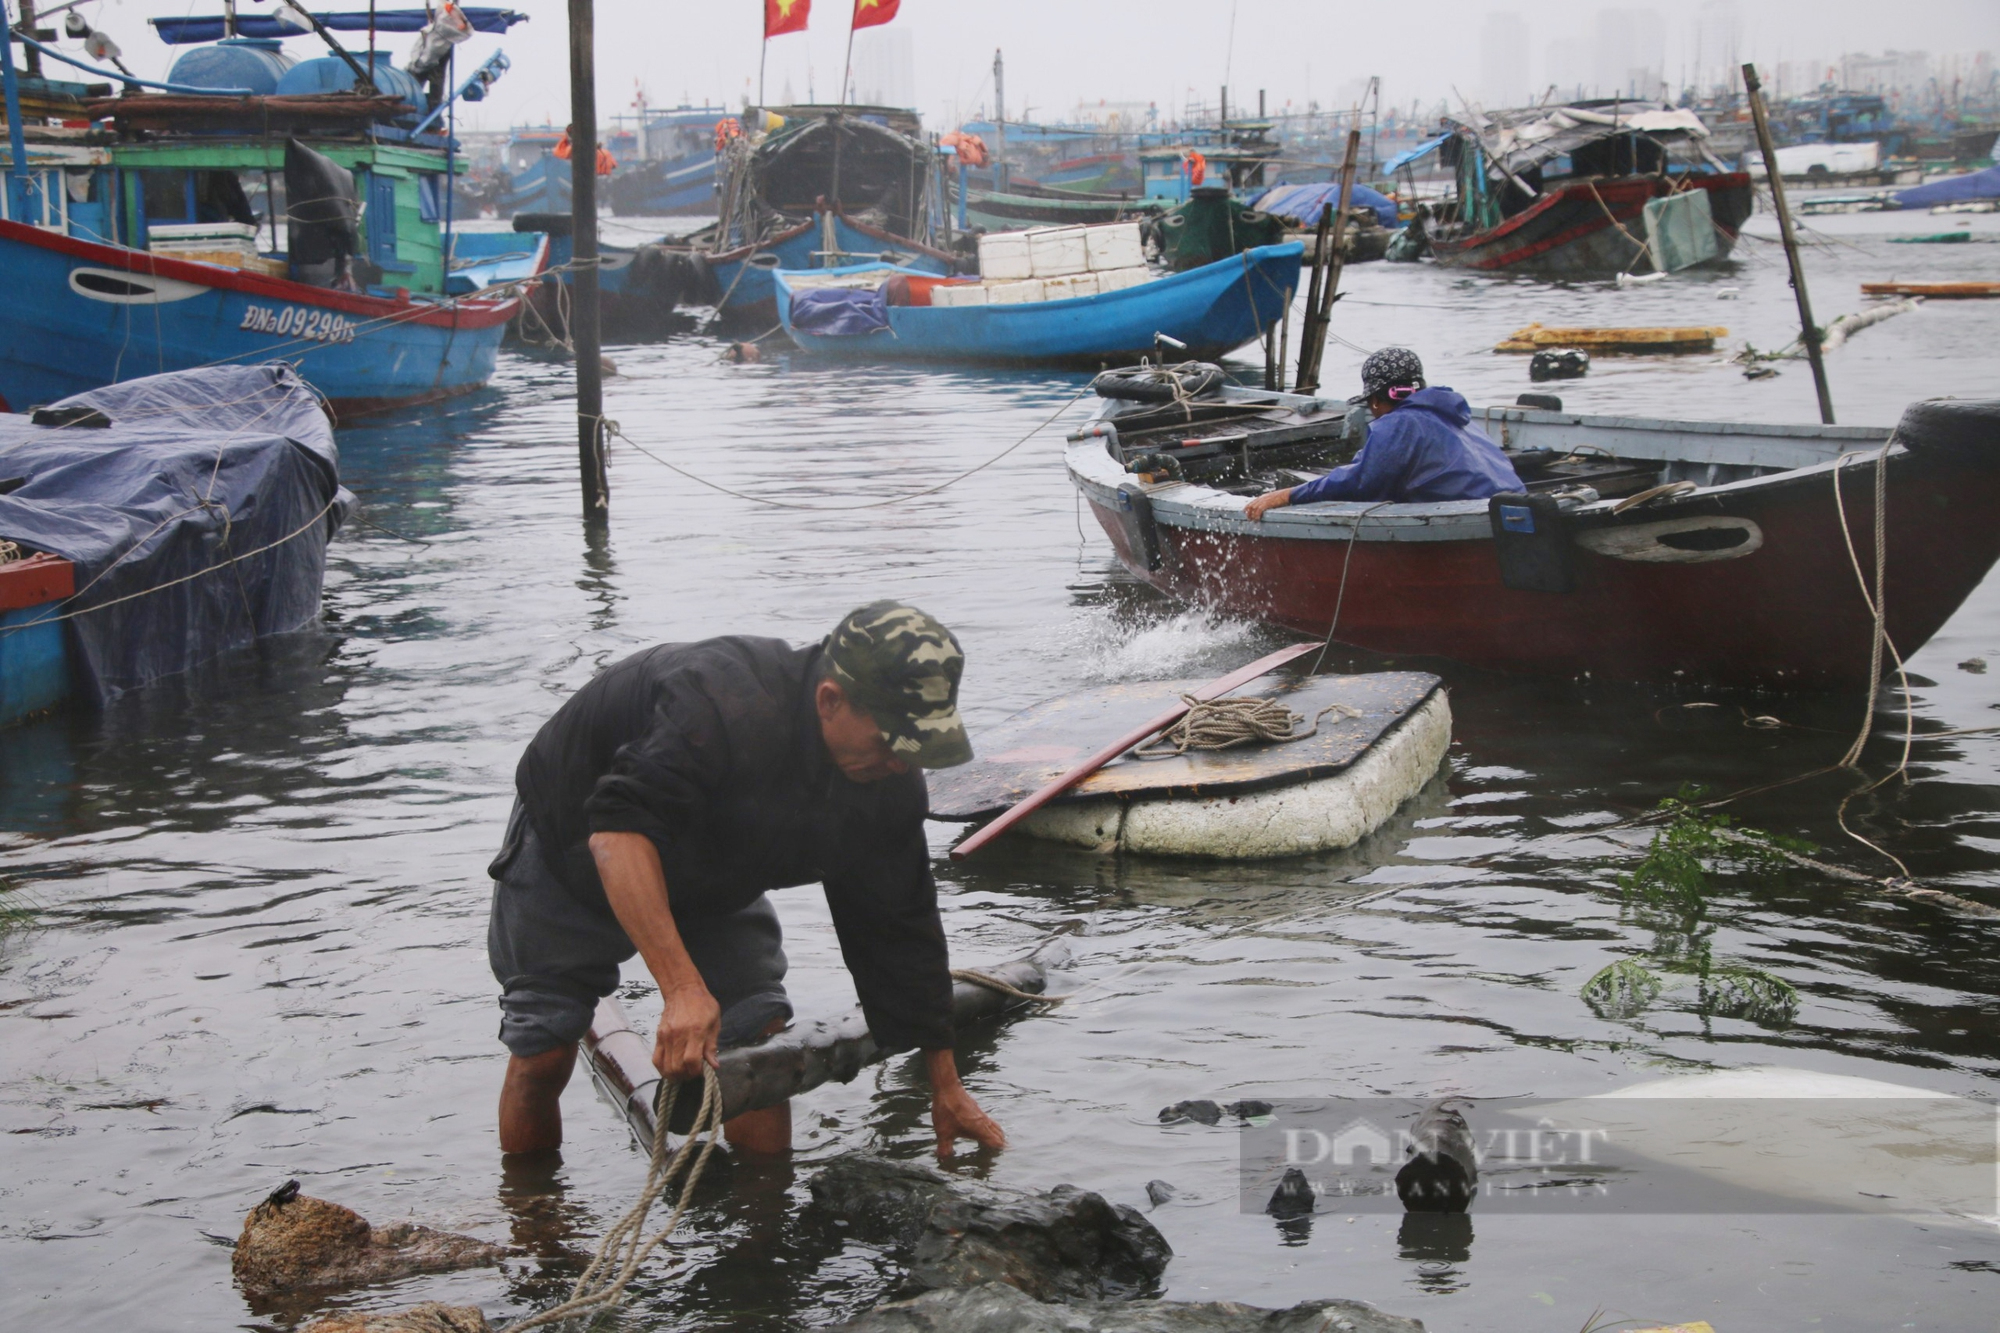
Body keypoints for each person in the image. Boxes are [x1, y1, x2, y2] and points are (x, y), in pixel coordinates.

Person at [489, 602, 1004, 1162]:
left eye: (916, 749)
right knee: (545, 1043)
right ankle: (534, 1223)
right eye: (890, 741)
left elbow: (903, 928)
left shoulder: (885, 782)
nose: (901, 765)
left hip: (714, 866)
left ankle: (762, 1227)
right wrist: (682, 989)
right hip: (574, 838)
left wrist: (945, 1085)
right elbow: (618, 836)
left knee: (757, 1038)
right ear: (830, 700)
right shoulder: (716, 700)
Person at [1245, 348, 1523, 519]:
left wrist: (1289, 495)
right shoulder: (1457, 418)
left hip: (1475, 519)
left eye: (1370, 403)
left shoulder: (1398, 423)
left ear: (1376, 401)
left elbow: (1362, 481)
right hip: (1516, 506)